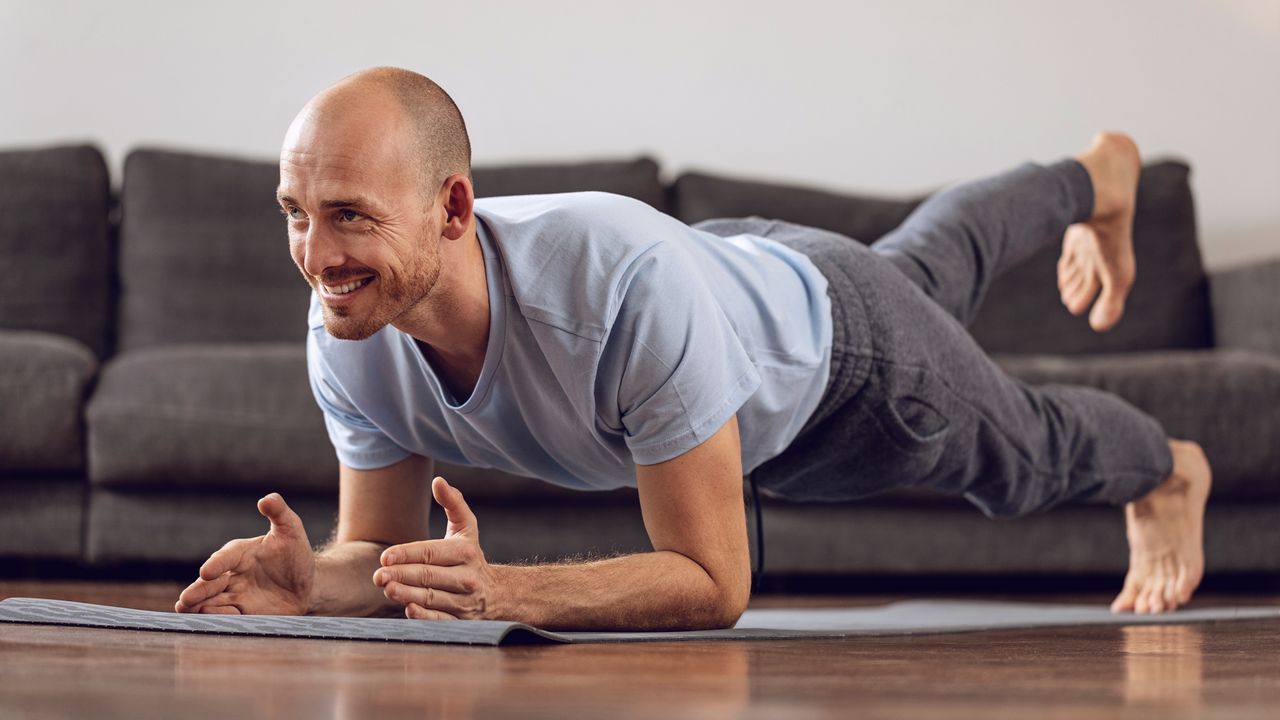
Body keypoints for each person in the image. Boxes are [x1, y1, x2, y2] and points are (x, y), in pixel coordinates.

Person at [174, 67, 1211, 630]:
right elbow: (380, 553)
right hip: (740, 273)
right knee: (923, 267)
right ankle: (1091, 175)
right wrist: (319, 584)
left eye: (348, 215)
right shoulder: (348, 324)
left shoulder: (615, 290)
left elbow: (714, 583)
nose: (315, 255)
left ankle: (1167, 470)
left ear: (452, 209)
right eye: (294, 213)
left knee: (1016, 454)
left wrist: (509, 591)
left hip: (847, 376)